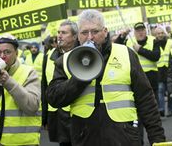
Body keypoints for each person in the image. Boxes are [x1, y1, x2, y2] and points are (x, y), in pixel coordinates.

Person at [46, 9, 165, 145]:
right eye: (84, 32)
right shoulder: (66, 60)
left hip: (124, 137)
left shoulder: (126, 54)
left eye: (95, 31)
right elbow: (54, 98)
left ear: (105, 31)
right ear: (78, 35)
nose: (90, 37)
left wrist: (157, 139)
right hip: (85, 138)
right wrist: (81, 76)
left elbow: (145, 99)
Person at [43, 20, 79, 146]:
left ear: (75, 36)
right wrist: (44, 117)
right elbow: (45, 86)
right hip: (57, 113)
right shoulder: (49, 55)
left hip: (78, 113)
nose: (59, 35)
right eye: (59, 32)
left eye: (64, 33)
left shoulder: (83, 53)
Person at [115, 22, 161, 102]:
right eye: (138, 31)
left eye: (142, 30)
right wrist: (122, 36)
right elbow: (115, 47)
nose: (140, 33)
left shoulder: (153, 40)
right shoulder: (128, 41)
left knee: (152, 103)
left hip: (151, 77)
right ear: (134, 33)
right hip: (135, 77)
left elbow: (156, 56)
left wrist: (140, 50)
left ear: (145, 31)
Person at [154, 27, 172, 117]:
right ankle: (161, 109)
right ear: (155, 35)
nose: (160, 35)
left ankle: (170, 110)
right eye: (158, 33)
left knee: (170, 91)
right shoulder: (153, 43)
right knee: (160, 90)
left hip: (169, 70)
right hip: (159, 71)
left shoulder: (170, 42)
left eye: (162, 33)